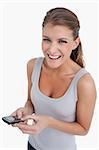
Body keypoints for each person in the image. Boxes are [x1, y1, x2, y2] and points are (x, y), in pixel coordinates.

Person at [11, 7, 96, 150]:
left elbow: (83, 128)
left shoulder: (83, 82)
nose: (51, 49)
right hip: (32, 145)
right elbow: (30, 102)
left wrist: (49, 122)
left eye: (62, 41)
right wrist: (25, 111)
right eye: (47, 40)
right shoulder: (33, 66)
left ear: (75, 43)